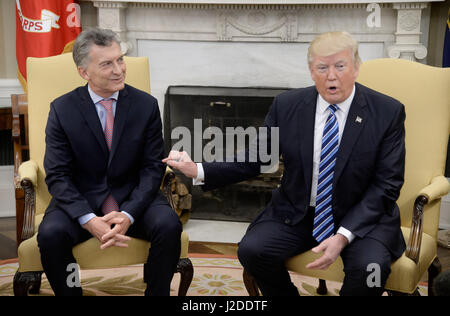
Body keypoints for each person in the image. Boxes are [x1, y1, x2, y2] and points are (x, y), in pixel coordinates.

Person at [164, 31, 406, 296]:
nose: (332, 76)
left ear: (356, 67)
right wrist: (197, 169)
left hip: (362, 219)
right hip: (299, 213)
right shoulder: (287, 105)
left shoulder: (387, 112)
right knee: (253, 251)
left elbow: (387, 184)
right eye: (322, 68)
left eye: (340, 66)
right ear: (312, 71)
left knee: (371, 269)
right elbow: (255, 159)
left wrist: (343, 235)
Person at [37, 27, 182, 296]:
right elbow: (57, 175)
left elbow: (153, 167)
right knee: (50, 235)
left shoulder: (146, 105)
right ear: (84, 72)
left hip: (133, 197)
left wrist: (128, 214)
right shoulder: (62, 109)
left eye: (120, 59)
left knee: (169, 225)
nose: (119, 70)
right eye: (107, 64)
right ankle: (72, 292)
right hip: (81, 199)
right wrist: (89, 219)